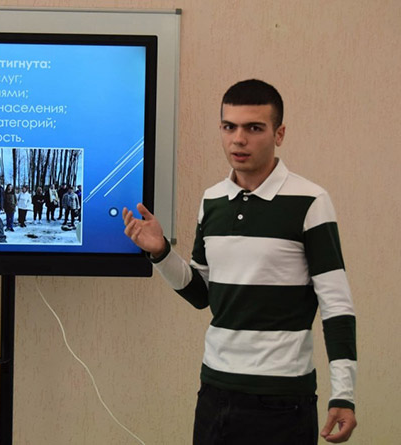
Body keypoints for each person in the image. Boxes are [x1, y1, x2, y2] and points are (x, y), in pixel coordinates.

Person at [123, 79, 357, 445]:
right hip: (215, 391)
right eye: (229, 127)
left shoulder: (311, 201)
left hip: (283, 399)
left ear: (279, 134)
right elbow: (202, 294)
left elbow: (337, 305)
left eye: (254, 128)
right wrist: (161, 253)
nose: (238, 139)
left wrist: (344, 394)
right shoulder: (212, 200)